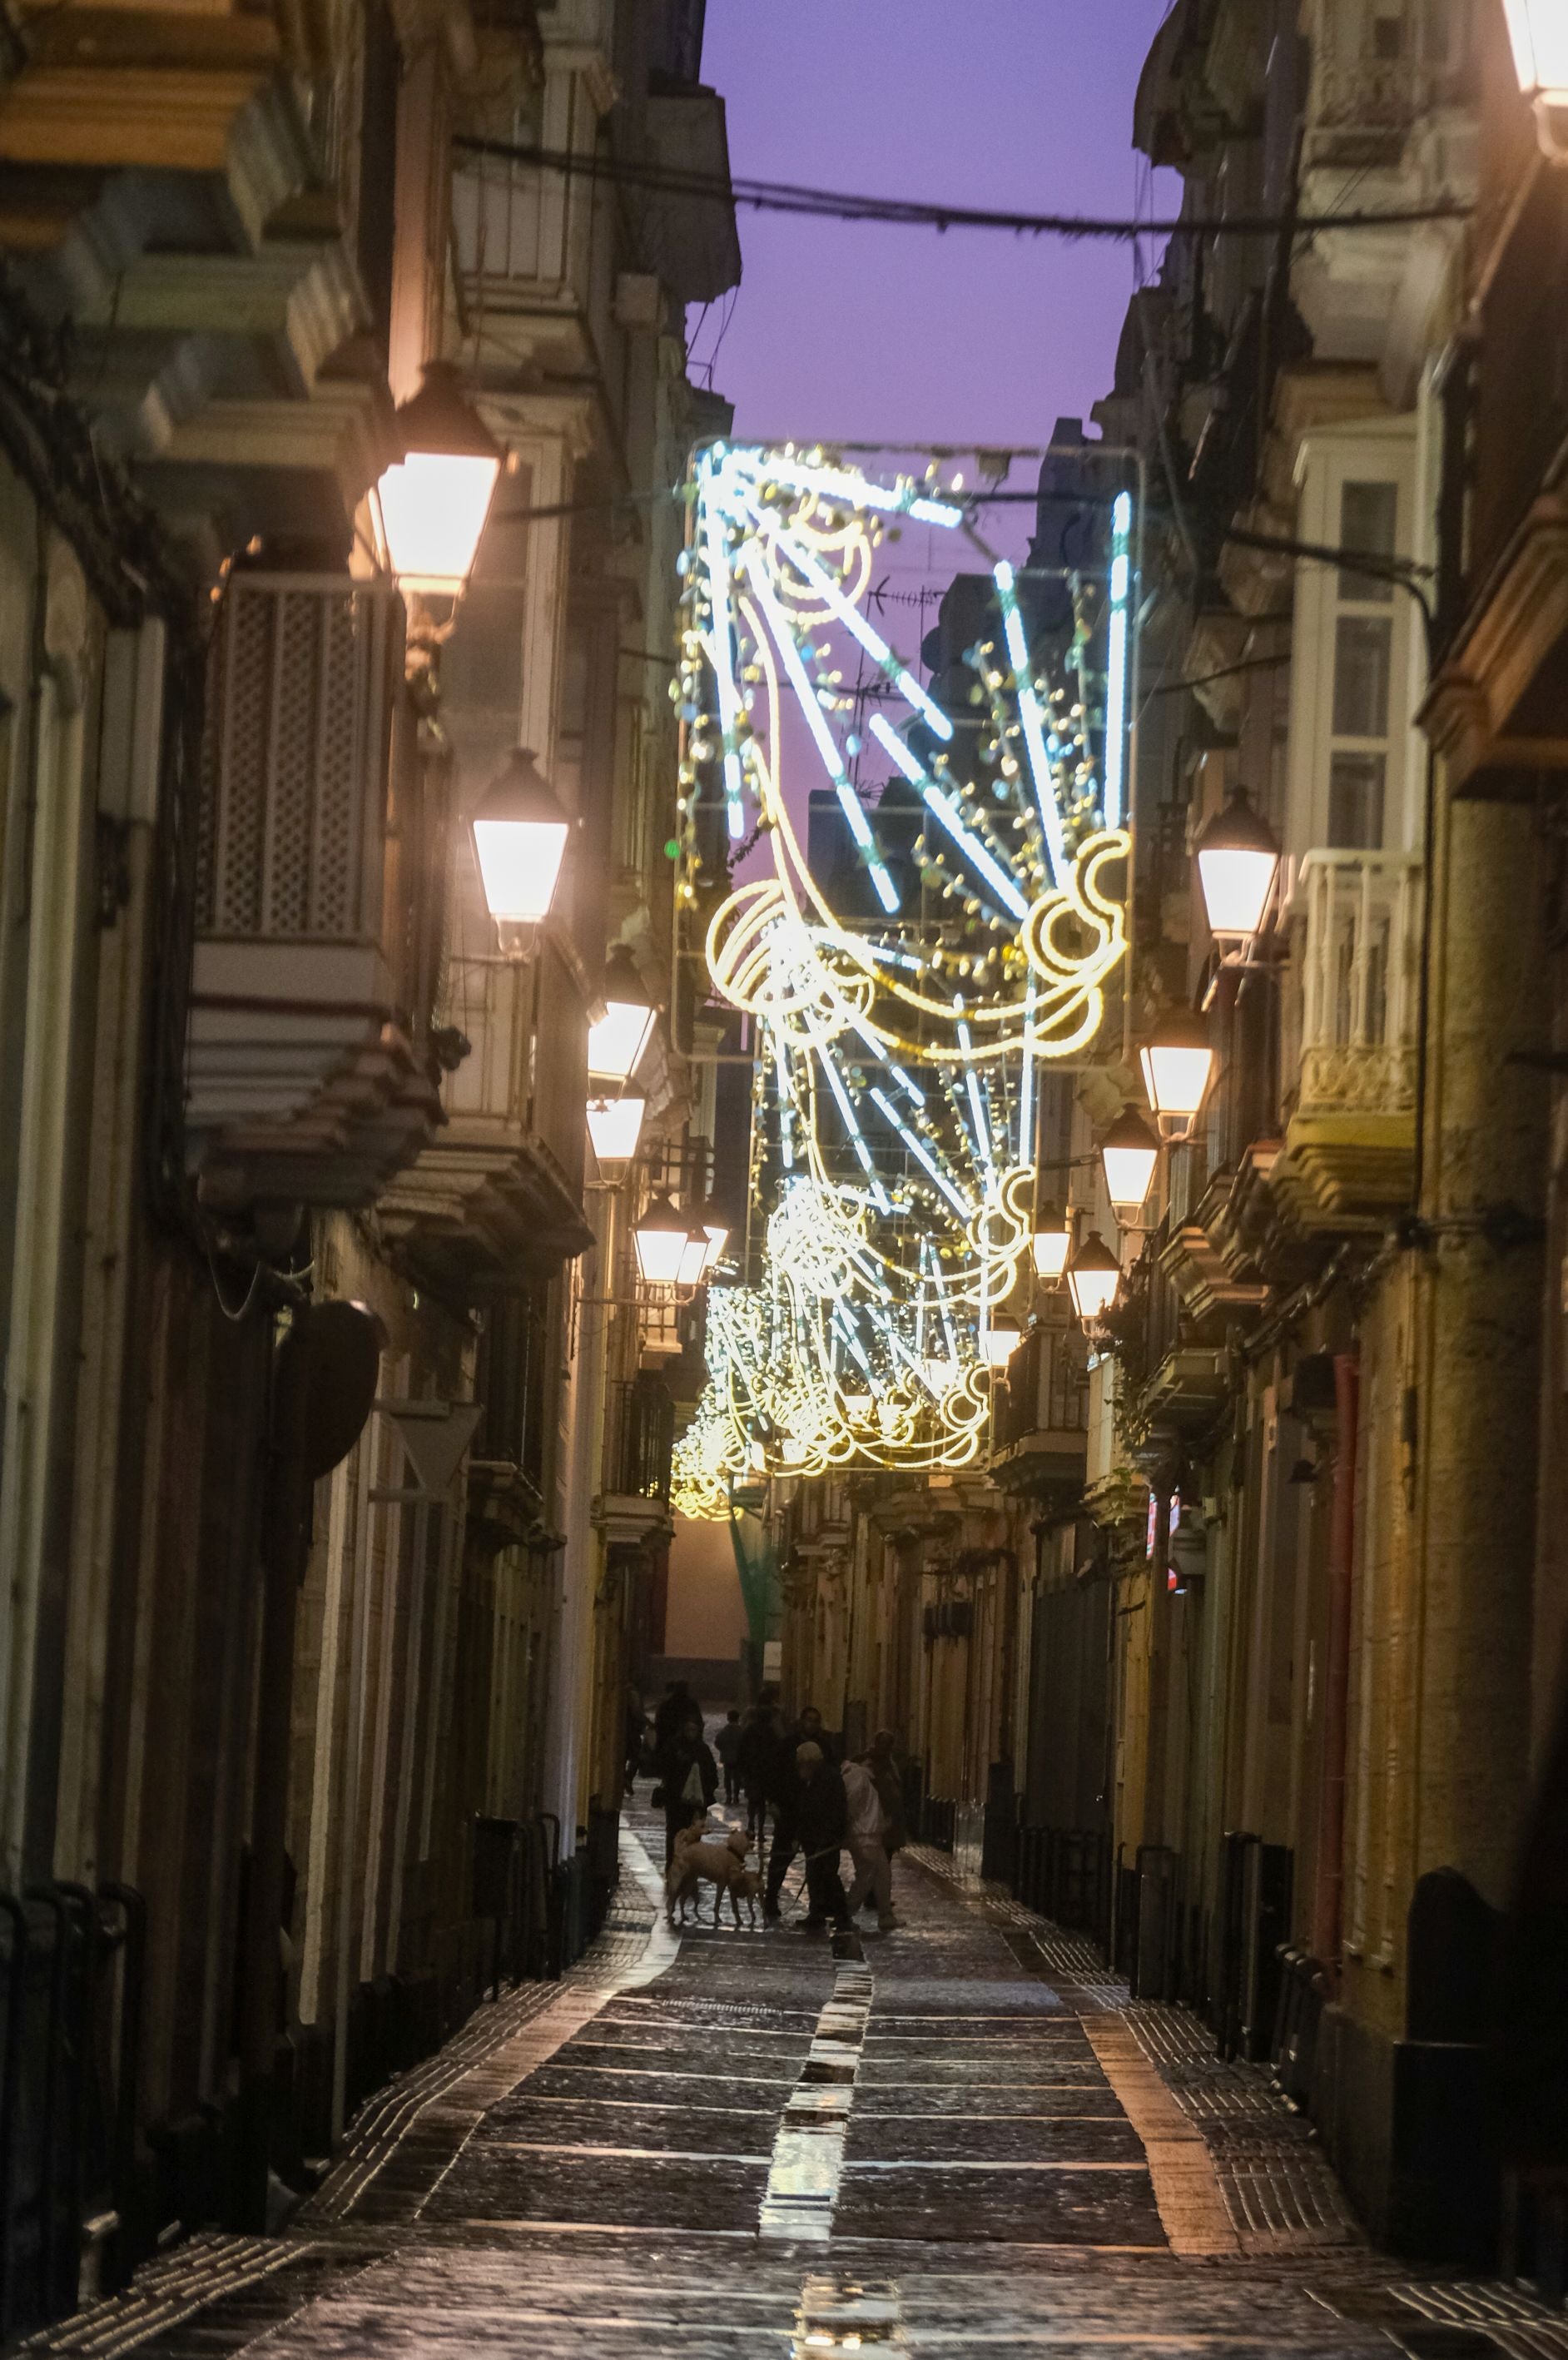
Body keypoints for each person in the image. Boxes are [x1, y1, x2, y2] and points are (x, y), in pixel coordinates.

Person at [792, 1741, 851, 1933]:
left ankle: (841, 1915)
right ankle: (817, 1913)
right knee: (815, 1876)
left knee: (828, 1876)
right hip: (814, 1837)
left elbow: (831, 1810)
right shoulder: (814, 1778)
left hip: (825, 1838)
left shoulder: (827, 1779)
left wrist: (828, 1836)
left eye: (801, 1762)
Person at [843, 1752, 900, 1932]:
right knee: (867, 1876)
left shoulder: (862, 1778)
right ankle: (845, 1913)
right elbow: (852, 1805)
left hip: (870, 1833)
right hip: (865, 1834)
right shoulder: (858, 1777)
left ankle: (885, 1915)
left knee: (881, 1874)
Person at [657, 1709, 717, 1868]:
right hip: (676, 1801)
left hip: (697, 1802)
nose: (691, 1733)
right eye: (689, 1729)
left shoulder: (703, 1750)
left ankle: (690, 1865)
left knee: (694, 1835)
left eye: (694, 1730)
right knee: (675, 1834)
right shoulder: (674, 1748)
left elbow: (711, 1774)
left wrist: (707, 1790)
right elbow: (665, 1769)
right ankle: (673, 1864)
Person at [866, 1728, 909, 1859]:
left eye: (888, 1745)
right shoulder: (870, 1764)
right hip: (877, 1818)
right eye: (883, 1744)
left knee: (886, 1855)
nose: (886, 1748)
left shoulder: (891, 1764)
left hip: (890, 1819)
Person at [714, 1707, 744, 1804]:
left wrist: (723, 1750)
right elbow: (746, 1744)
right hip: (738, 1758)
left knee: (727, 1777)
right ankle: (736, 1796)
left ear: (728, 1718)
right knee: (737, 1778)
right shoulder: (741, 1731)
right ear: (738, 1718)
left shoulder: (724, 1731)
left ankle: (728, 1795)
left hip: (727, 1758)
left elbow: (717, 1742)